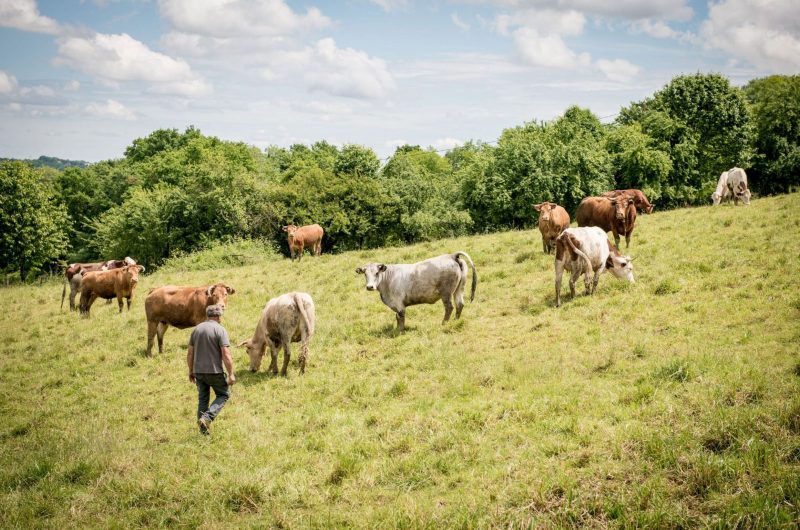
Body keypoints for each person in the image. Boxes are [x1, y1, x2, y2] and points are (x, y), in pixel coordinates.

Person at [187, 304, 236, 434]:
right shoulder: (220, 330)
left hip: (198, 372)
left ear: (208, 315)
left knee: (203, 399)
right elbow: (226, 354)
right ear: (218, 316)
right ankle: (207, 418)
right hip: (214, 371)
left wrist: (191, 371)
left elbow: (190, 353)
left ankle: (203, 430)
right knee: (223, 394)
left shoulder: (196, 330)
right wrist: (231, 374)